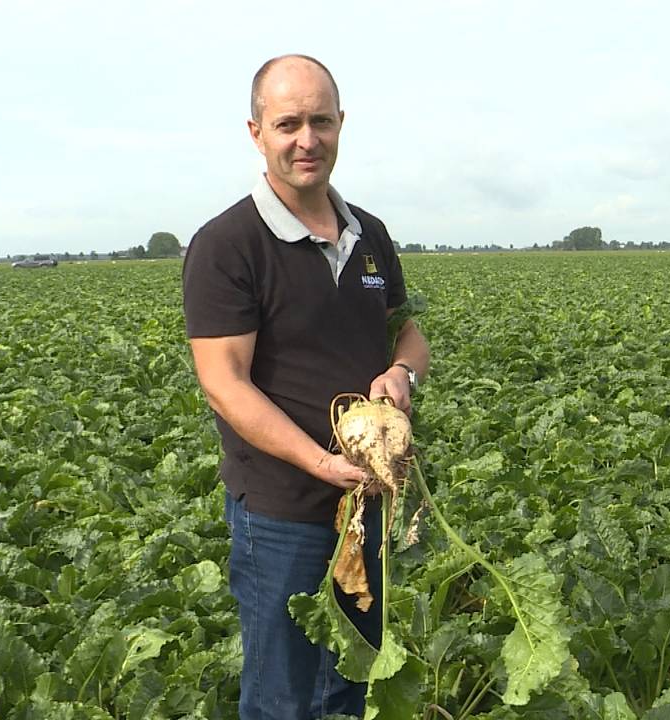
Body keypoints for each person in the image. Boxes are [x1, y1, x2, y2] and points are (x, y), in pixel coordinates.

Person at [181, 54, 430, 719]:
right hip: (284, 512)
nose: (307, 139)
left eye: (321, 121)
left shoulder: (369, 234)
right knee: (286, 697)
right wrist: (321, 463)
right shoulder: (228, 244)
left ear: (341, 123)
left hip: (366, 504)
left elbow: (409, 333)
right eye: (288, 123)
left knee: (349, 677)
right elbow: (224, 384)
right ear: (256, 130)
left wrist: (400, 372)